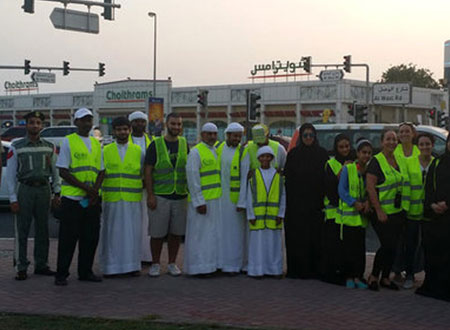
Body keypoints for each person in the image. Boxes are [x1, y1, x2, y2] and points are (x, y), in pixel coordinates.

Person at [6, 111, 61, 280]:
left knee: (43, 229)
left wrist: (57, 193)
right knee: (22, 230)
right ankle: (21, 267)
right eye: (31, 122)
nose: (35, 125)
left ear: (42, 125)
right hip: (25, 189)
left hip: (44, 189)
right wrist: (13, 198)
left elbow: (55, 171)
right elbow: (10, 175)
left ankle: (41, 264)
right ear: (26, 125)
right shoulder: (16, 146)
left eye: (38, 122)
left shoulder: (49, 146)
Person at [54, 108, 104, 286]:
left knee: (90, 238)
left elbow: (101, 171)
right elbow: (63, 171)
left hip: (90, 201)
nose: (87, 123)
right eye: (83, 120)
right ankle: (61, 274)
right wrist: (86, 189)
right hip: (72, 200)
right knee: (68, 239)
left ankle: (85, 271)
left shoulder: (96, 143)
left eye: (89, 120)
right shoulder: (68, 141)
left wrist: (95, 191)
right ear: (76, 122)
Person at [144, 113, 188, 277]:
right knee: (157, 233)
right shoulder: (156, 145)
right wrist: (150, 195)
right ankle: (155, 263)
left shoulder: (184, 144)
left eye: (179, 124)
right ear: (166, 125)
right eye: (173, 124)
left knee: (176, 233)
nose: (176, 127)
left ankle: (172, 263)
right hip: (161, 195)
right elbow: (148, 171)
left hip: (180, 195)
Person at [99, 117, 143, 276]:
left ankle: (132, 266)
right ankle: (111, 268)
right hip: (112, 200)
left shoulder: (138, 151)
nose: (122, 132)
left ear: (129, 130)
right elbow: (100, 175)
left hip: (132, 201)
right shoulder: (105, 150)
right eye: (119, 129)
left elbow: (144, 174)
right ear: (114, 131)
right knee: (111, 235)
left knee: (132, 234)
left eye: (125, 129)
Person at [284, 123, 328, 279]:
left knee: (316, 238)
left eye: (311, 135)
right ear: (301, 138)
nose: (308, 138)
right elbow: (288, 180)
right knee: (298, 238)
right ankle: (298, 271)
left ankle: (315, 270)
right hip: (297, 206)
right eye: (305, 135)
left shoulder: (322, 154)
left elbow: (326, 180)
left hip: (316, 205)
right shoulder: (293, 155)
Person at [366, 129, 408, 291]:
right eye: (388, 139)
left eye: (394, 139)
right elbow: (370, 188)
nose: (392, 142)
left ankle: (385, 277)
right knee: (387, 245)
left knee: (394, 246)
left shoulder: (399, 159)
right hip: (381, 213)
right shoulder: (377, 161)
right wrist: (378, 210)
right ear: (382, 142)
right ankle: (374, 276)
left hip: (397, 212)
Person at [183, 122, 222, 276]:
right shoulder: (196, 153)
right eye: (209, 134)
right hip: (202, 203)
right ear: (202, 135)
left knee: (211, 236)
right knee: (199, 236)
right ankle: (198, 267)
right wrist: (199, 201)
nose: (212, 137)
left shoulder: (215, 151)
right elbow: (192, 179)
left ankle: (210, 266)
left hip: (215, 200)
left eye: (214, 134)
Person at [417, 133, 450, 301]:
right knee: (436, 253)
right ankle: (435, 287)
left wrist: (447, 204)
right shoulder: (437, 162)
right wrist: (432, 205)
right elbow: (428, 187)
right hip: (436, 217)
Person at [336, 138, 373, 289]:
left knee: (360, 249)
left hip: (362, 217)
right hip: (349, 217)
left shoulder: (370, 170)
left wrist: (367, 203)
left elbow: (371, 190)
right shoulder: (349, 169)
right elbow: (341, 190)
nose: (366, 156)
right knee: (348, 249)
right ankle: (349, 277)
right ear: (357, 153)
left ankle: (359, 276)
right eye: (363, 152)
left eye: (369, 153)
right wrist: (354, 202)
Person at [246, 146, 285, 278]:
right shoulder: (254, 175)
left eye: (268, 156)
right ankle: (257, 270)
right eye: (262, 157)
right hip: (257, 218)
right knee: (258, 247)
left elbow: (282, 196)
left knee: (273, 246)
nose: (265, 159)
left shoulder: (278, 175)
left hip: (273, 218)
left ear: (272, 158)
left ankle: (274, 270)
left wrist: (281, 214)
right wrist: (250, 214)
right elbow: (249, 196)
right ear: (258, 159)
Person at [402, 133, 434, 289]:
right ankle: (409, 274)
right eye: (422, 144)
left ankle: (430, 276)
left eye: (428, 144)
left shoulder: (436, 163)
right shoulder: (409, 162)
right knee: (411, 245)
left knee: (429, 246)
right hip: (412, 212)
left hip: (430, 213)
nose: (425, 147)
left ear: (432, 145)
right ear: (417, 146)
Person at [321, 134, 355, 285]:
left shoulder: (354, 163)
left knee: (347, 247)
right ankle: (332, 275)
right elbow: (329, 187)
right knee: (333, 246)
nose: (344, 149)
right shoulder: (331, 164)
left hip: (350, 212)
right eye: (341, 147)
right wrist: (342, 171)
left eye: (347, 146)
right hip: (334, 212)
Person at [216, 122, 249, 275]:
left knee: (236, 235)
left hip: (235, 201)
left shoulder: (244, 152)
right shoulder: (219, 148)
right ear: (227, 135)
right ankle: (221, 263)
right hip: (220, 200)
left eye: (239, 136)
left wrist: (242, 201)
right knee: (221, 234)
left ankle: (235, 265)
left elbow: (244, 180)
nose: (237, 139)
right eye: (235, 136)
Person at [392, 122, 420, 284]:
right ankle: (396, 271)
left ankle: (410, 273)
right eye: (401, 132)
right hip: (397, 206)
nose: (404, 134)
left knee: (412, 243)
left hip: (415, 208)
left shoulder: (419, 151)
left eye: (407, 131)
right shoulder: (393, 152)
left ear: (413, 134)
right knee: (397, 241)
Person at [128, 111, 154, 265]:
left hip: (148, 188)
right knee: (132, 223)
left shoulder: (152, 141)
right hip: (131, 188)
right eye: (136, 121)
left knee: (147, 223)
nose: (139, 124)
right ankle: (133, 255)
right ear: (131, 123)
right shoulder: (126, 141)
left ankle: (147, 256)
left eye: (142, 121)